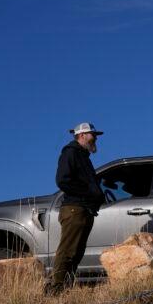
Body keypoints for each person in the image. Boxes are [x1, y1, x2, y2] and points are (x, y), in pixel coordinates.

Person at [48, 122, 105, 293]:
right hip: (74, 209)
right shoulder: (70, 153)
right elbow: (62, 180)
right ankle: (56, 287)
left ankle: (66, 287)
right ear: (82, 135)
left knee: (77, 251)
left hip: (84, 210)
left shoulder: (84, 156)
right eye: (92, 135)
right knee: (68, 250)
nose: (95, 138)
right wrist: (88, 193)